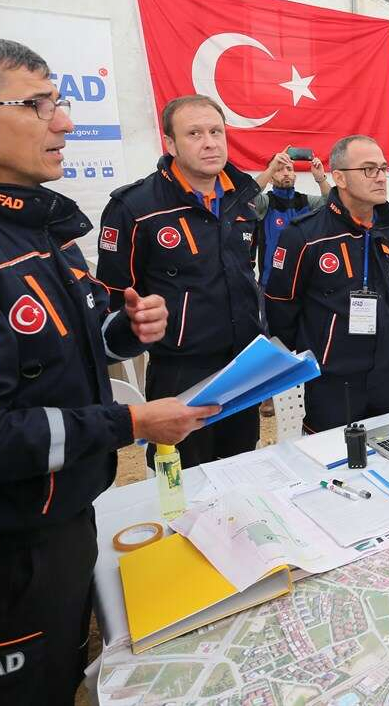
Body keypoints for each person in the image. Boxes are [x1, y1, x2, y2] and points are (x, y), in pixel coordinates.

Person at [0, 36, 215, 705]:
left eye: (58, 101)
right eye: (38, 104)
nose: (65, 122)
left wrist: (122, 329)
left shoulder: (32, 219)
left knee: (61, 675)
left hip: (65, 517)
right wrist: (129, 422)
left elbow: (56, 346)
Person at [95, 94, 264, 469]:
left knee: (242, 471)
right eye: (194, 134)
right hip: (180, 373)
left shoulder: (246, 197)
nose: (210, 143)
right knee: (183, 479)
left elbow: (246, 273)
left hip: (242, 366)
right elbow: (113, 299)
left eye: (216, 132)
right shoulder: (134, 207)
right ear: (170, 144)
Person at [264, 135, 389, 433]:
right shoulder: (305, 235)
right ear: (339, 177)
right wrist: (318, 348)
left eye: (383, 168)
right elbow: (281, 305)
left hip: (388, 370)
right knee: (331, 455)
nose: (381, 177)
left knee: (388, 448)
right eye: (368, 169)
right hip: (333, 378)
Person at [252, 148, 327, 287]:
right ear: (270, 179)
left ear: (295, 175)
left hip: (304, 284)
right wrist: (271, 168)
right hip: (271, 284)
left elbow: (334, 205)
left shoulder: (307, 202)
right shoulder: (266, 203)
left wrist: (320, 179)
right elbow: (249, 195)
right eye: (279, 170)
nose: (286, 173)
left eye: (289, 169)